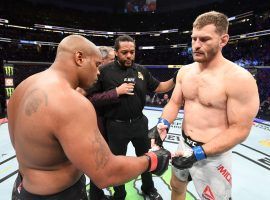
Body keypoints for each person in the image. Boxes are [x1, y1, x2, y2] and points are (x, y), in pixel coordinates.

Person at [7, 35, 171, 200]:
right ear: (79, 58)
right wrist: (152, 160)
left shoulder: (24, 86)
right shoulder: (71, 101)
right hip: (60, 194)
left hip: (24, 188)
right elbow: (106, 173)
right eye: (97, 64)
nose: (98, 71)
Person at [149, 11, 259, 200]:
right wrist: (163, 124)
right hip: (184, 143)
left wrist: (199, 153)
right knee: (176, 186)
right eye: (194, 39)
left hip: (213, 154)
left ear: (223, 40)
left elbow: (240, 129)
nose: (196, 45)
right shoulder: (185, 72)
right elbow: (174, 103)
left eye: (205, 39)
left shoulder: (239, 79)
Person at [93, 35, 175, 200]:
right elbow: (92, 98)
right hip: (115, 126)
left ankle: (148, 187)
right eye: (124, 52)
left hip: (139, 123)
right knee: (117, 163)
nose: (129, 55)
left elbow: (159, 87)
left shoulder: (141, 70)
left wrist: (176, 79)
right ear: (116, 52)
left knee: (146, 157)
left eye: (132, 52)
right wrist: (116, 92)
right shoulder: (103, 72)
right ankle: (119, 193)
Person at [87, 46, 137, 200]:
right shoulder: (93, 77)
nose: (114, 64)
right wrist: (116, 92)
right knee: (101, 163)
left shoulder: (106, 75)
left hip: (110, 126)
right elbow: (90, 99)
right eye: (111, 60)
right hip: (99, 128)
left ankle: (105, 194)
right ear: (102, 62)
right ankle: (105, 195)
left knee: (107, 162)